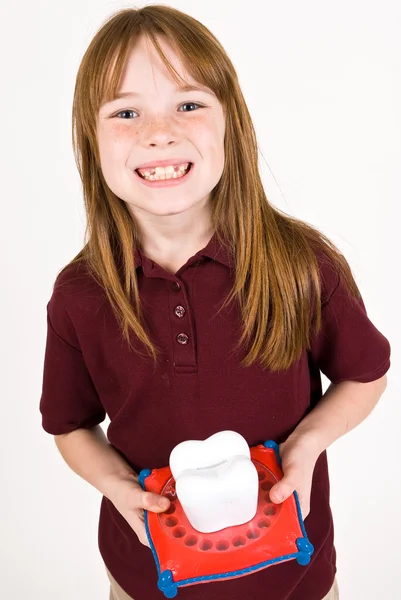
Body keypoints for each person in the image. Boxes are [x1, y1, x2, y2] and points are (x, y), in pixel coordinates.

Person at [39, 5, 391, 600]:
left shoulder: (302, 264)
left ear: (232, 124)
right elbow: (70, 426)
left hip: (297, 580)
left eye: (188, 103)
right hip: (146, 582)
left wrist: (305, 447)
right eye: (126, 112)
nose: (158, 131)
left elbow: (366, 374)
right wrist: (122, 490)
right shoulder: (80, 294)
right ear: (90, 143)